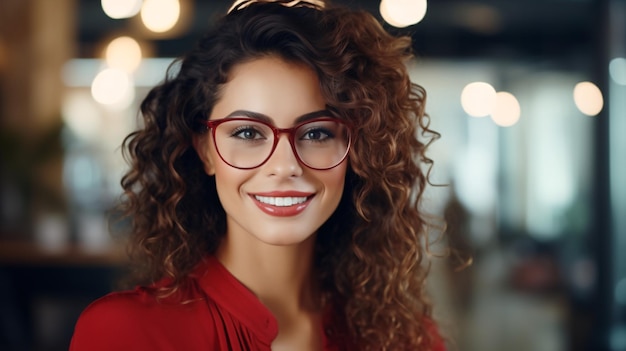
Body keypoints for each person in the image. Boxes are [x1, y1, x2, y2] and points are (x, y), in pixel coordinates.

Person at [70, 0, 445, 350]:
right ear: (205, 150)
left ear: (358, 150)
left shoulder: (407, 337)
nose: (285, 165)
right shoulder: (124, 334)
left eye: (317, 133)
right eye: (247, 133)